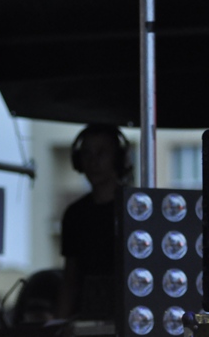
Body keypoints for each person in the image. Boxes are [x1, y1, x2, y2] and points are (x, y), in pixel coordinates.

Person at [56, 123, 131, 320]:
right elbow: (70, 279)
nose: (93, 161)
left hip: (132, 315)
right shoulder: (74, 214)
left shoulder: (135, 209)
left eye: (101, 153)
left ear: (118, 158)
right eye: (87, 154)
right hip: (88, 317)